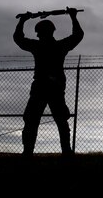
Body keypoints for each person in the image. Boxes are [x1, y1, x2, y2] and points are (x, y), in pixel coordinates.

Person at [13, 8, 84, 157]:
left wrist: (22, 21)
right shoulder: (60, 46)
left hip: (41, 87)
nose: (38, 35)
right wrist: (73, 17)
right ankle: (66, 152)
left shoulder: (37, 46)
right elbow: (78, 35)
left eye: (39, 32)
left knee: (32, 121)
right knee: (61, 122)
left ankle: (28, 152)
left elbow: (18, 38)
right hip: (55, 87)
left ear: (41, 33)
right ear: (52, 31)